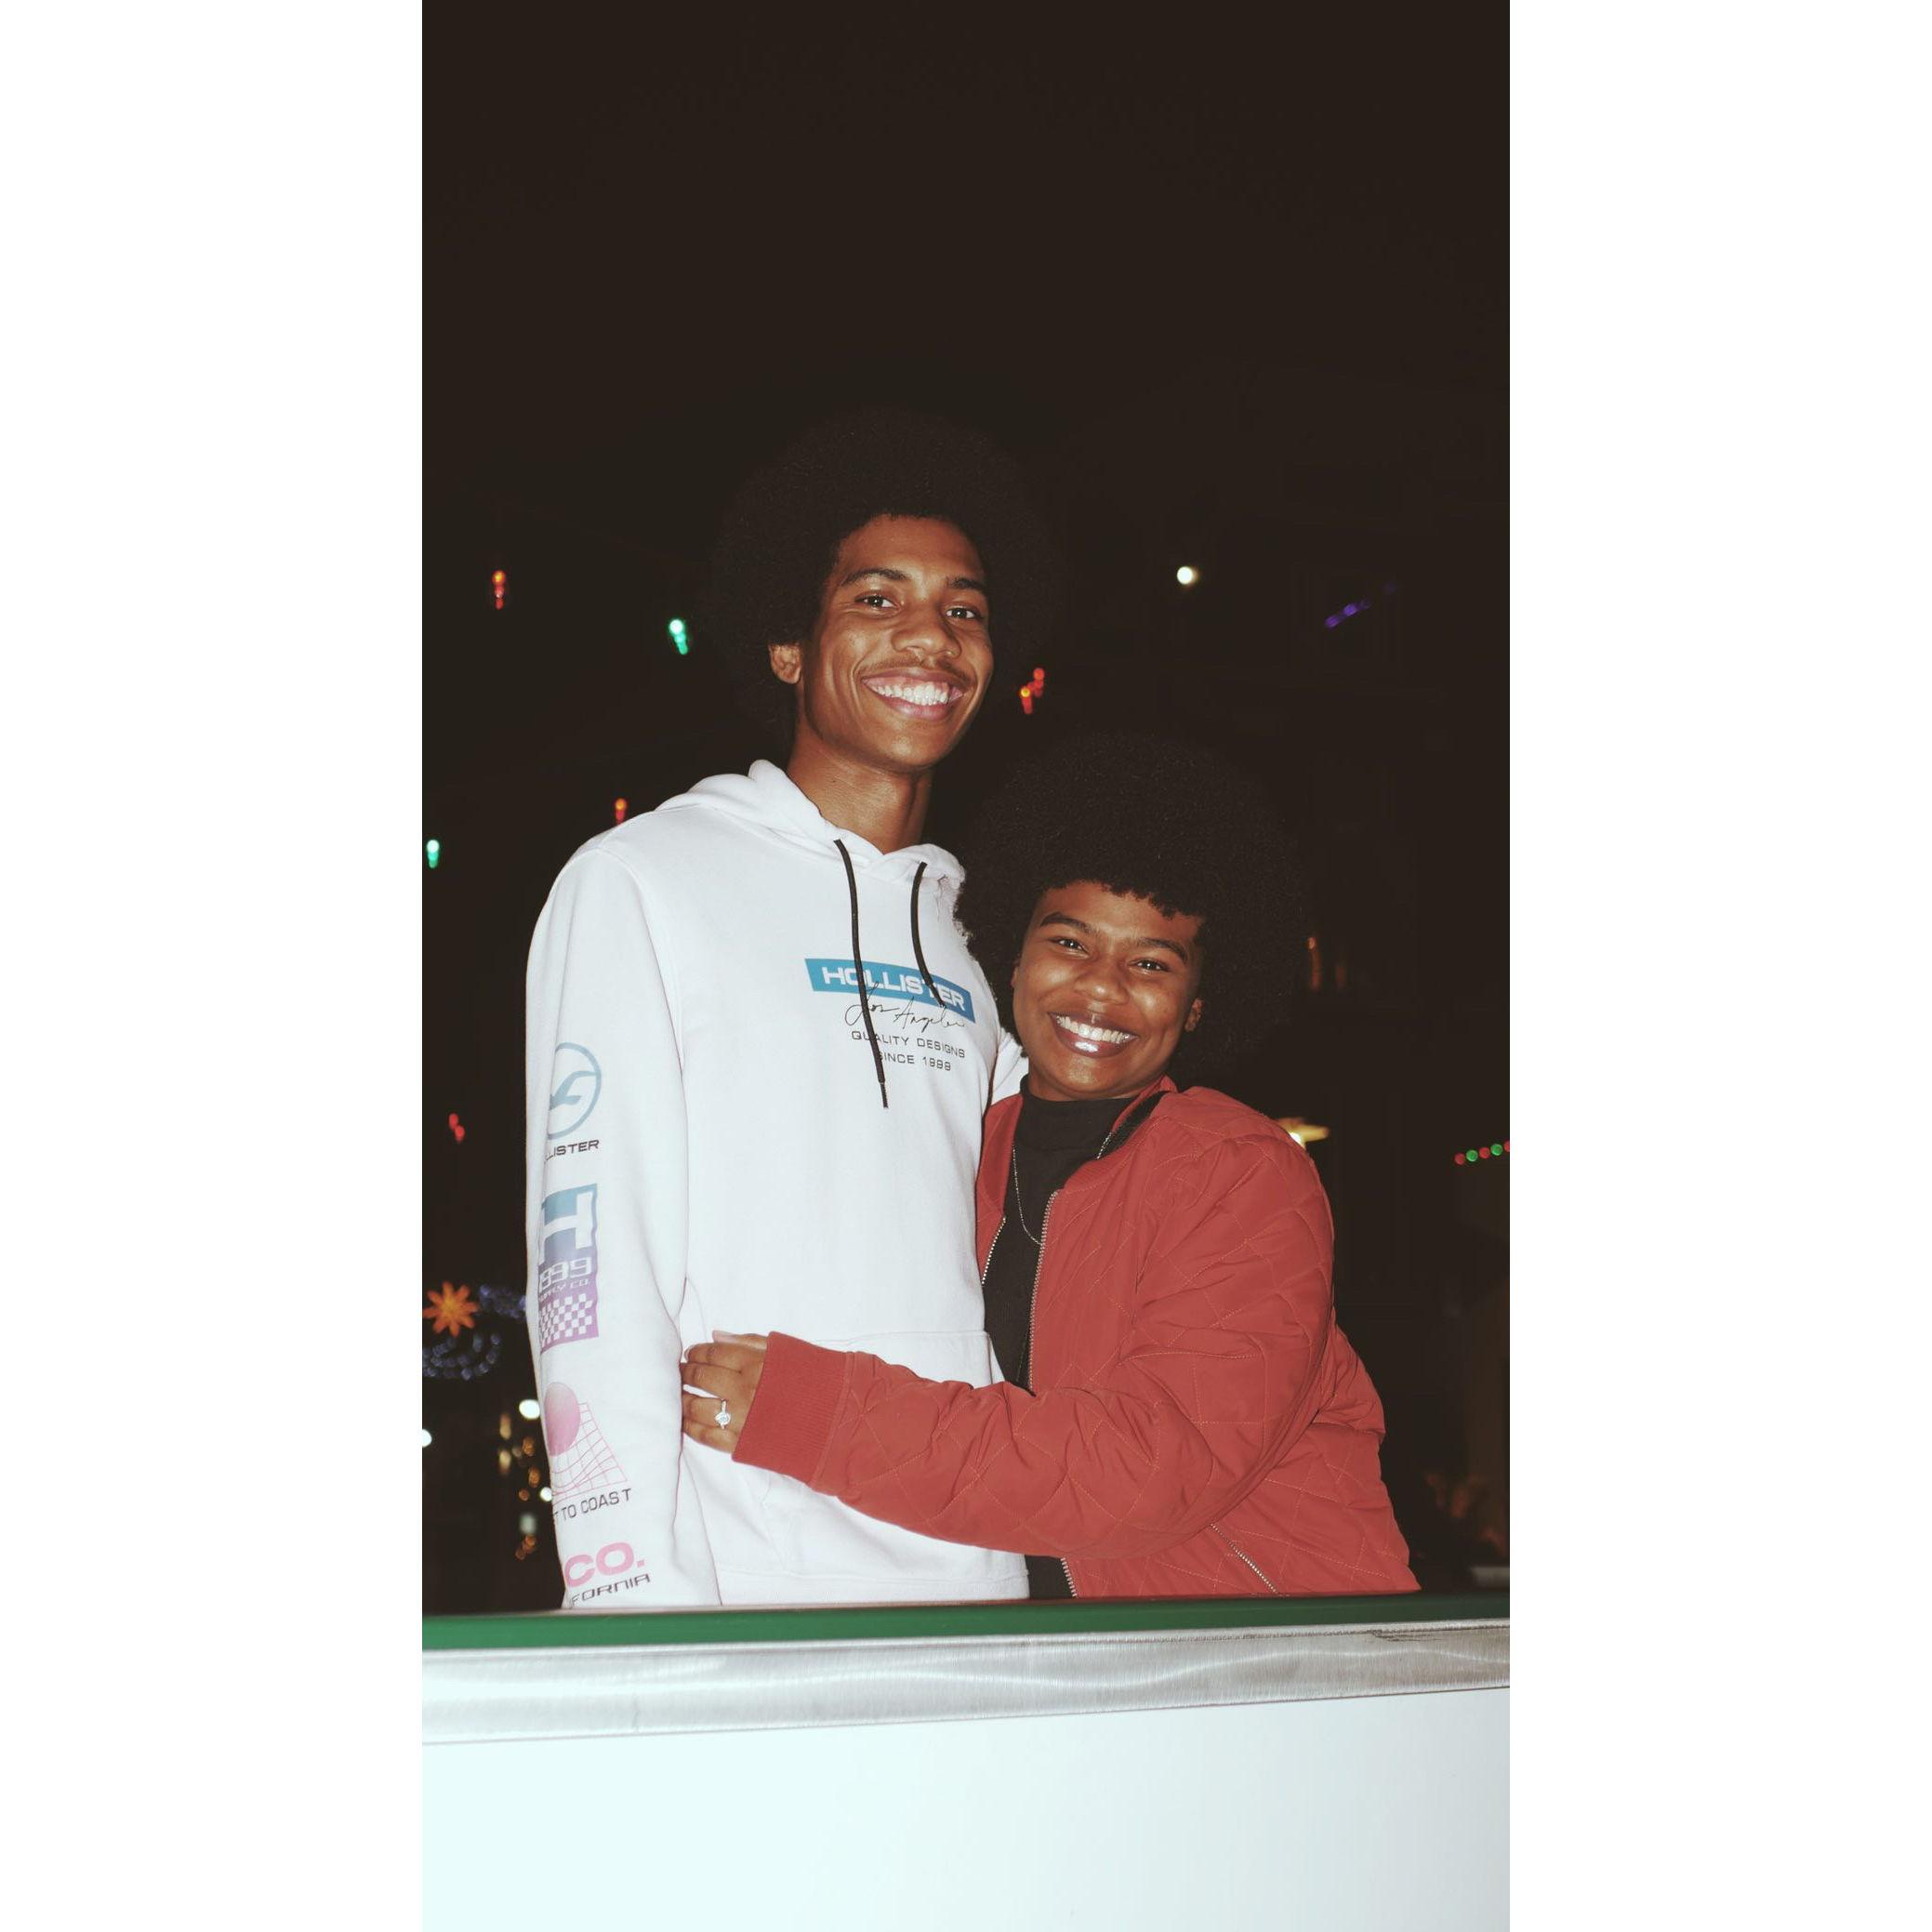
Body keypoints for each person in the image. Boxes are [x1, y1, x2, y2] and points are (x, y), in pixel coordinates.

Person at [523, 410, 1055, 1608]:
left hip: (973, 1557)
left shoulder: (989, 934)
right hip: (738, 1574)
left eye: (964, 608)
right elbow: (591, 1255)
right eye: (876, 598)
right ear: (786, 646)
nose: (930, 634)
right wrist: (631, 1598)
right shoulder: (643, 881)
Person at [680, 737, 1417, 1598]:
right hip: (1052, 1651)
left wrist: (820, 1415)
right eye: (1071, 943)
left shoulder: (1242, 1174)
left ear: (1196, 1006)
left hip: (1276, 1656)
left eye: (1151, 963)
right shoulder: (962, 1150)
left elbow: (1143, 1473)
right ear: (1015, 959)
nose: (1102, 989)